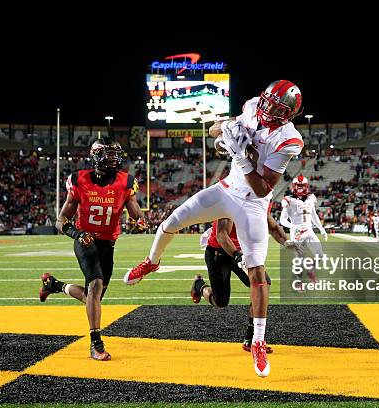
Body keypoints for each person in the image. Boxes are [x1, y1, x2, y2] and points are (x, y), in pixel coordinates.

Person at [124, 80, 304, 377]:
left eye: (275, 107)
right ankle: (151, 262)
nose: (266, 108)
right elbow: (214, 132)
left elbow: (261, 189)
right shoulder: (249, 107)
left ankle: (257, 341)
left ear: (288, 114)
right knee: (170, 223)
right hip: (225, 189)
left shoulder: (289, 140)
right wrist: (224, 136)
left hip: (251, 204)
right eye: (267, 101)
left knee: (258, 272)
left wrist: (241, 157)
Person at [38, 136, 146, 361]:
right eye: (109, 155)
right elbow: (61, 221)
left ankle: (55, 285)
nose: (114, 160)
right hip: (85, 240)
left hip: (108, 244)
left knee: (92, 296)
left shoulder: (126, 182)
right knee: (95, 285)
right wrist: (78, 234)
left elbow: (135, 211)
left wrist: (140, 220)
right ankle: (96, 343)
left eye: (116, 155)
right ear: (97, 156)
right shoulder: (80, 180)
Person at [192, 213, 301, 353]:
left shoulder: (261, 196)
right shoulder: (231, 196)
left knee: (263, 284)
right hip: (219, 251)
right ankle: (199, 285)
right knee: (220, 301)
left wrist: (286, 242)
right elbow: (222, 234)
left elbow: (272, 226)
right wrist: (238, 256)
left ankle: (251, 339)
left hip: (242, 251)